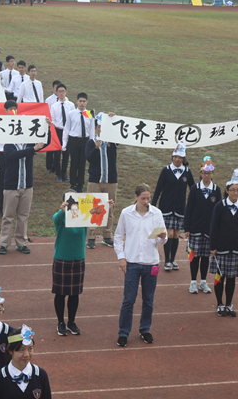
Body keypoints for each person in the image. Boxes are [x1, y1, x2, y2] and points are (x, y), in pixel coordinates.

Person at [114, 183, 167, 347]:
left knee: (148, 300)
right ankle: (123, 332)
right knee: (128, 300)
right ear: (136, 197)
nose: (146, 201)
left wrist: (163, 236)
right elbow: (117, 237)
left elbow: (161, 239)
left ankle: (145, 329)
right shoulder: (126, 213)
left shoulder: (156, 213)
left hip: (151, 263)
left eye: (148, 198)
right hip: (132, 263)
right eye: (143, 198)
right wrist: (121, 258)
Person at [53, 190, 111, 337]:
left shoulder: (84, 216)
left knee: (74, 293)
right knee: (60, 293)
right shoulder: (61, 217)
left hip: (78, 258)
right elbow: (56, 219)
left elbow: (98, 213)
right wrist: (62, 210)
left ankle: (71, 322)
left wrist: (106, 205)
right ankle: (61, 322)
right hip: (62, 258)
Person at [0, 101, 45, 255]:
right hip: (11, 186)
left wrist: (47, 128)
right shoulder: (9, 143)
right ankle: (4, 243)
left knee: (23, 217)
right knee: (8, 217)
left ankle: (21, 242)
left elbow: (46, 141)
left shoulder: (29, 143)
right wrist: (32, 150)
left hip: (27, 186)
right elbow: (11, 156)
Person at [209, 169, 238, 317]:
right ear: (227, 191)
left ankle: (228, 304)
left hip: (236, 249)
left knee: (231, 279)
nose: (236, 193)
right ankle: (219, 303)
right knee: (220, 276)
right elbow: (213, 227)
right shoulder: (220, 206)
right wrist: (213, 246)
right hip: (221, 249)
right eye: (232, 190)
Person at [152, 141, 194, 270]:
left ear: (183, 158)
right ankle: (167, 260)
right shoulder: (166, 170)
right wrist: (153, 205)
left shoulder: (187, 172)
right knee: (168, 234)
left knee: (176, 234)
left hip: (180, 208)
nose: (177, 159)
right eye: (175, 157)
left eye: (180, 157)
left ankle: (173, 259)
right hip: (166, 207)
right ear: (172, 157)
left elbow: (193, 190)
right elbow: (158, 188)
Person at [184, 156, 221, 294]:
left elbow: (219, 212)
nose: (207, 175)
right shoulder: (195, 189)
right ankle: (193, 281)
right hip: (195, 228)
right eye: (204, 173)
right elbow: (189, 209)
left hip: (209, 230)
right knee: (194, 256)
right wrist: (187, 228)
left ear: (212, 174)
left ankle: (203, 282)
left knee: (206, 256)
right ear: (201, 174)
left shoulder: (216, 190)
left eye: (209, 173)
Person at [0, 325, 52, 399]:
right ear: (10, 350)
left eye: (30, 349)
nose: (26, 354)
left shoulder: (41, 375)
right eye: (21, 350)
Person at [85, 112, 117, 249]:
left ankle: (107, 236)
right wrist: (96, 148)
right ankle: (91, 237)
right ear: (96, 128)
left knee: (110, 210)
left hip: (111, 181)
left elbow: (123, 133)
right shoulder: (91, 142)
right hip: (95, 181)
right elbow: (89, 159)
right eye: (100, 126)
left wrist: (114, 118)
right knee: (94, 208)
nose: (102, 129)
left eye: (104, 126)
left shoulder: (113, 142)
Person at [62, 93, 94, 193]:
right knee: (73, 163)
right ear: (77, 102)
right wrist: (64, 143)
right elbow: (67, 128)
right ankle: (73, 184)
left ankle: (80, 185)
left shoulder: (90, 114)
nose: (82, 103)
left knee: (82, 164)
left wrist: (91, 143)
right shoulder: (71, 113)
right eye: (80, 101)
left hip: (85, 141)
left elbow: (92, 129)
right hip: (74, 140)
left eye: (84, 101)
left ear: (87, 102)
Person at [49, 83, 72, 183]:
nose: (61, 93)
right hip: (58, 130)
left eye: (63, 91)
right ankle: (58, 173)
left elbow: (72, 118)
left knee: (66, 153)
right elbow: (52, 119)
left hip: (67, 130)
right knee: (57, 153)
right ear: (57, 93)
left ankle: (64, 173)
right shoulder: (54, 106)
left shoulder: (70, 105)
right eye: (60, 91)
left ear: (66, 92)